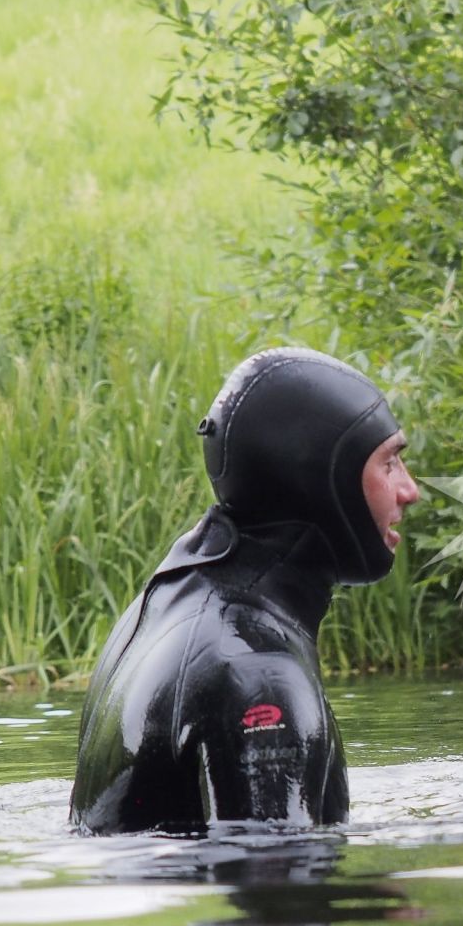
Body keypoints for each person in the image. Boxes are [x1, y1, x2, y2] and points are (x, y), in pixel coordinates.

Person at [70, 347, 420, 833]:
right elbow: (276, 892)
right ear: (323, 478)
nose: (410, 490)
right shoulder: (259, 674)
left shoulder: (164, 602)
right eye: (389, 464)